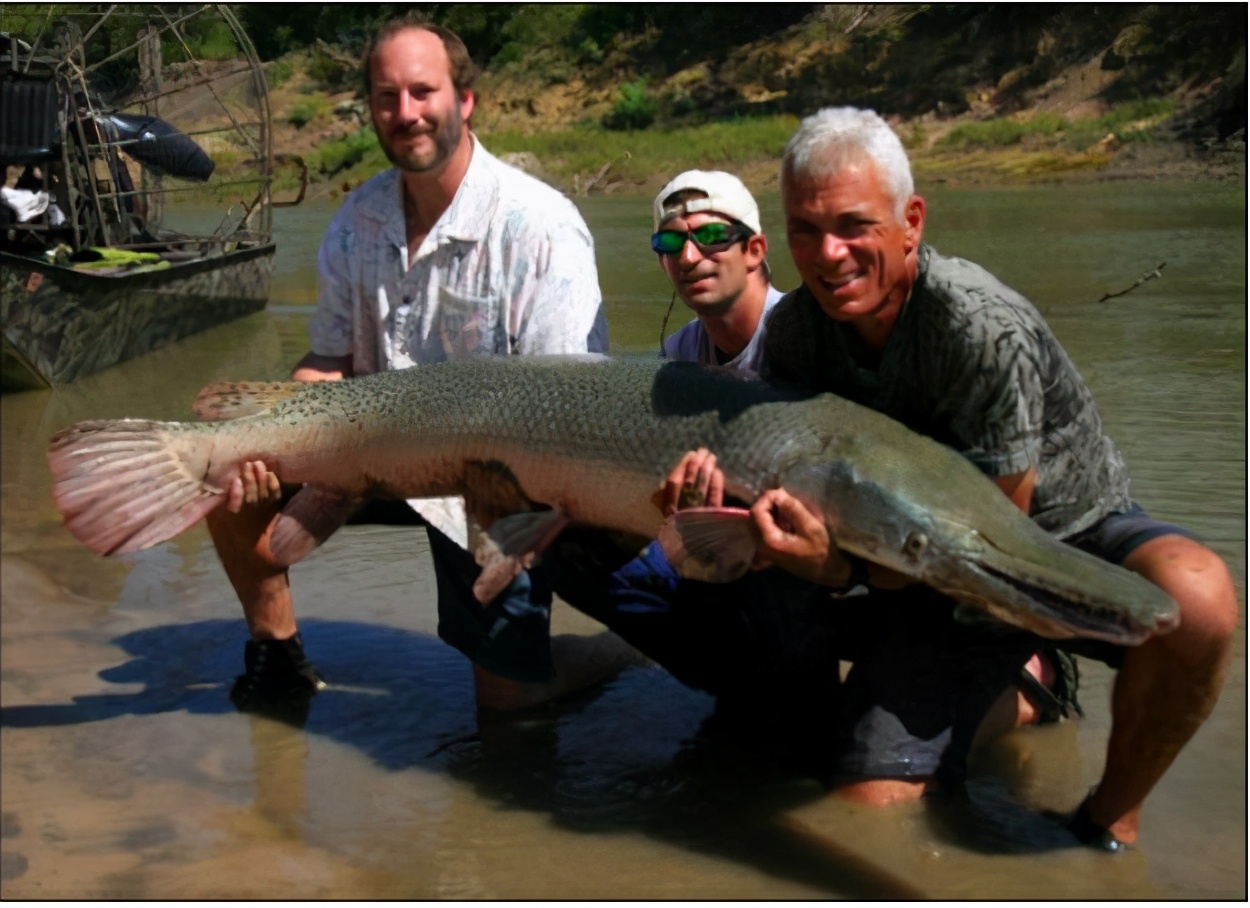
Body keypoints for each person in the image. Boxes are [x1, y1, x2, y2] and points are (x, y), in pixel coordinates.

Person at [739, 106, 1238, 849]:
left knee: (1198, 599)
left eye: (853, 225)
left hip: (1043, 537)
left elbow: (988, 549)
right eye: (804, 229)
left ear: (911, 220)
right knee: (868, 809)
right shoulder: (792, 334)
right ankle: (1027, 687)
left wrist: (844, 569)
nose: (828, 253)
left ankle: (1108, 822)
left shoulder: (979, 326)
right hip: (909, 557)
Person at [207, 16, 626, 720]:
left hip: (490, 484)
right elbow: (331, 358)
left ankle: (613, 653)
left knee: (509, 713)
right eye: (386, 96)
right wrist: (278, 421)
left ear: (465, 100)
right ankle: (276, 651)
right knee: (224, 453)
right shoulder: (355, 219)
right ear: (371, 107)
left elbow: (573, 408)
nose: (405, 114)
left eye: (422, 92)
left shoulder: (539, 229)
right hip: (365, 457)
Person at [652, 169, 783, 375]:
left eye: (711, 235)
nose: (688, 257)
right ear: (662, 261)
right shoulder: (679, 352)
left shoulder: (807, 341)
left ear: (753, 250)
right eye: (671, 241)